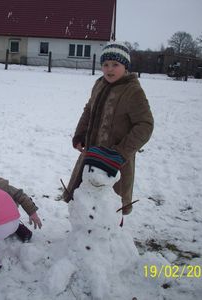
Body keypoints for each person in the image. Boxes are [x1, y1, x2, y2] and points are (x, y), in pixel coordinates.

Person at [62, 41, 154, 215]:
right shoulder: (100, 84)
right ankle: (83, 233)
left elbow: (145, 125)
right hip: (91, 154)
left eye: (115, 65)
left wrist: (120, 152)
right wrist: (80, 134)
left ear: (125, 66)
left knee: (109, 205)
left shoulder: (133, 91)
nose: (109, 69)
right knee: (85, 197)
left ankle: (109, 236)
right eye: (105, 64)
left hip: (115, 160)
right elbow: (89, 110)